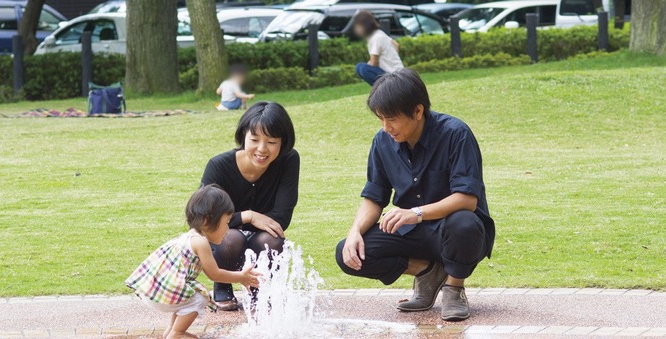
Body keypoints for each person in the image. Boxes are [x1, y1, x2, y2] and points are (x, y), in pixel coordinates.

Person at [335, 68, 494, 321]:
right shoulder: (382, 141)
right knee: (349, 253)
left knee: (464, 223)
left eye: (392, 119)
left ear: (418, 111)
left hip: (452, 230)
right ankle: (428, 272)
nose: (386, 127)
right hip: (411, 233)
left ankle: (454, 288)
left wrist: (416, 213)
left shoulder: (456, 134)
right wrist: (354, 231)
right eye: (380, 119)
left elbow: (467, 199)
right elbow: (374, 196)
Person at [126, 184, 260, 339]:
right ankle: (177, 333)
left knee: (189, 294)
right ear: (206, 221)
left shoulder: (190, 238)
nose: (228, 228)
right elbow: (214, 274)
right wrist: (241, 277)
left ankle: (170, 331)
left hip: (155, 291)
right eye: (226, 222)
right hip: (161, 294)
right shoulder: (200, 243)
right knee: (199, 297)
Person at [200, 101, 299, 311]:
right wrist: (248, 216)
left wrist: (246, 224)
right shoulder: (218, 166)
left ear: (283, 142)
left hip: (262, 235)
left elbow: (281, 217)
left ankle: (259, 290)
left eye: (272, 141)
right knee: (230, 238)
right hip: (223, 239)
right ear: (244, 135)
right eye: (254, 140)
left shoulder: (289, 160)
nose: (262, 149)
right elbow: (206, 220)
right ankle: (222, 283)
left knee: (272, 240)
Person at [353, 10, 404, 86]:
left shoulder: (375, 38)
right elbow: (396, 44)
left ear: (364, 26)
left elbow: (374, 63)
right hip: (400, 74)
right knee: (362, 67)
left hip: (392, 77)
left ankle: (382, 89)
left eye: (357, 26)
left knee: (362, 68)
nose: (356, 29)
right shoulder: (379, 33)